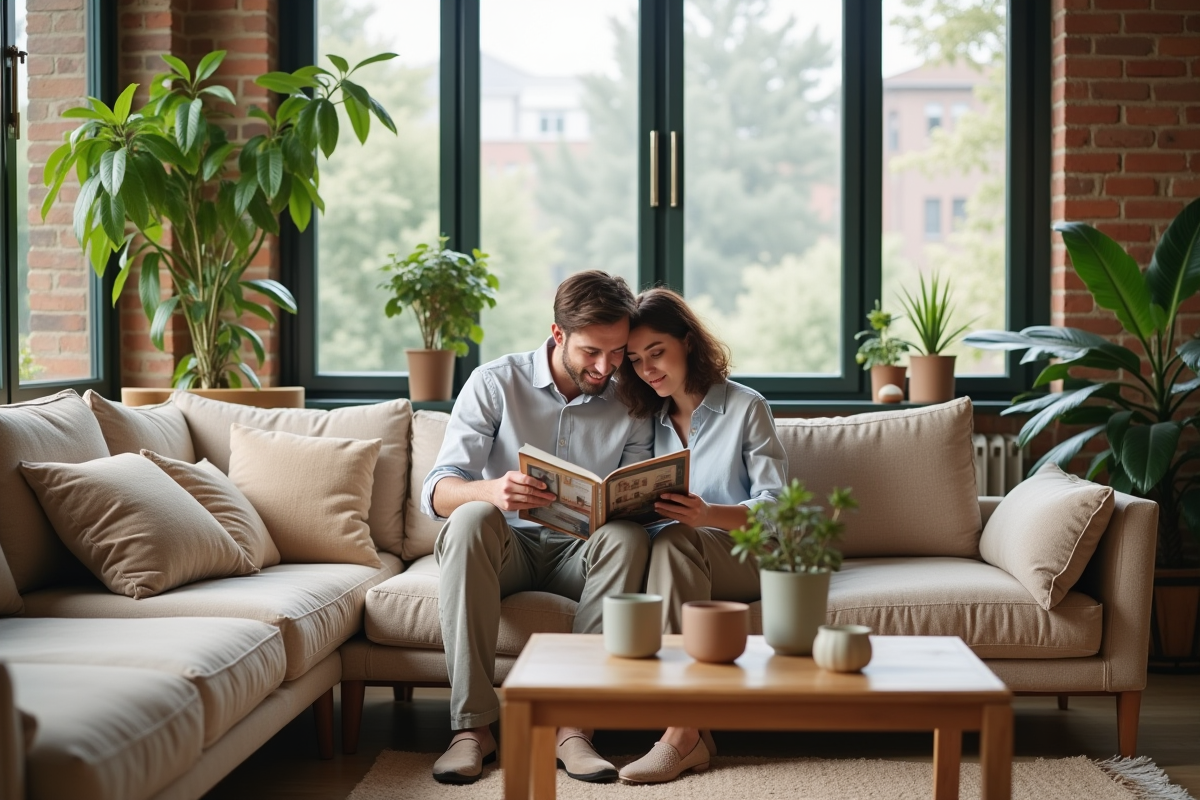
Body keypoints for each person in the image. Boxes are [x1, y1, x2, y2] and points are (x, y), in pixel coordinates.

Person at [422, 270, 655, 785]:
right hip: (504, 550)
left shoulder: (631, 397)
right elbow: (436, 492)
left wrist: (632, 504)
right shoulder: (494, 382)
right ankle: (472, 730)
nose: (606, 366)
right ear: (558, 335)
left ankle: (574, 727)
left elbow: (637, 494)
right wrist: (490, 490)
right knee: (471, 518)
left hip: (581, 553)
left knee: (628, 536)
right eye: (593, 352)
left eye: (617, 352)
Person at [614, 286, 788, 784]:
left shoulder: (745, 406)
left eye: (657, 353)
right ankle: (688, 728)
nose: (647, 369)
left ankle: (679, 734)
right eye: (635, 360)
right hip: (675, 551)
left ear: (687, 342)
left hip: (747, 554)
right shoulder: (646, 419)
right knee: (667, 541)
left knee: (677, 540)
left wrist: (709, 513)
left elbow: (777, 508)